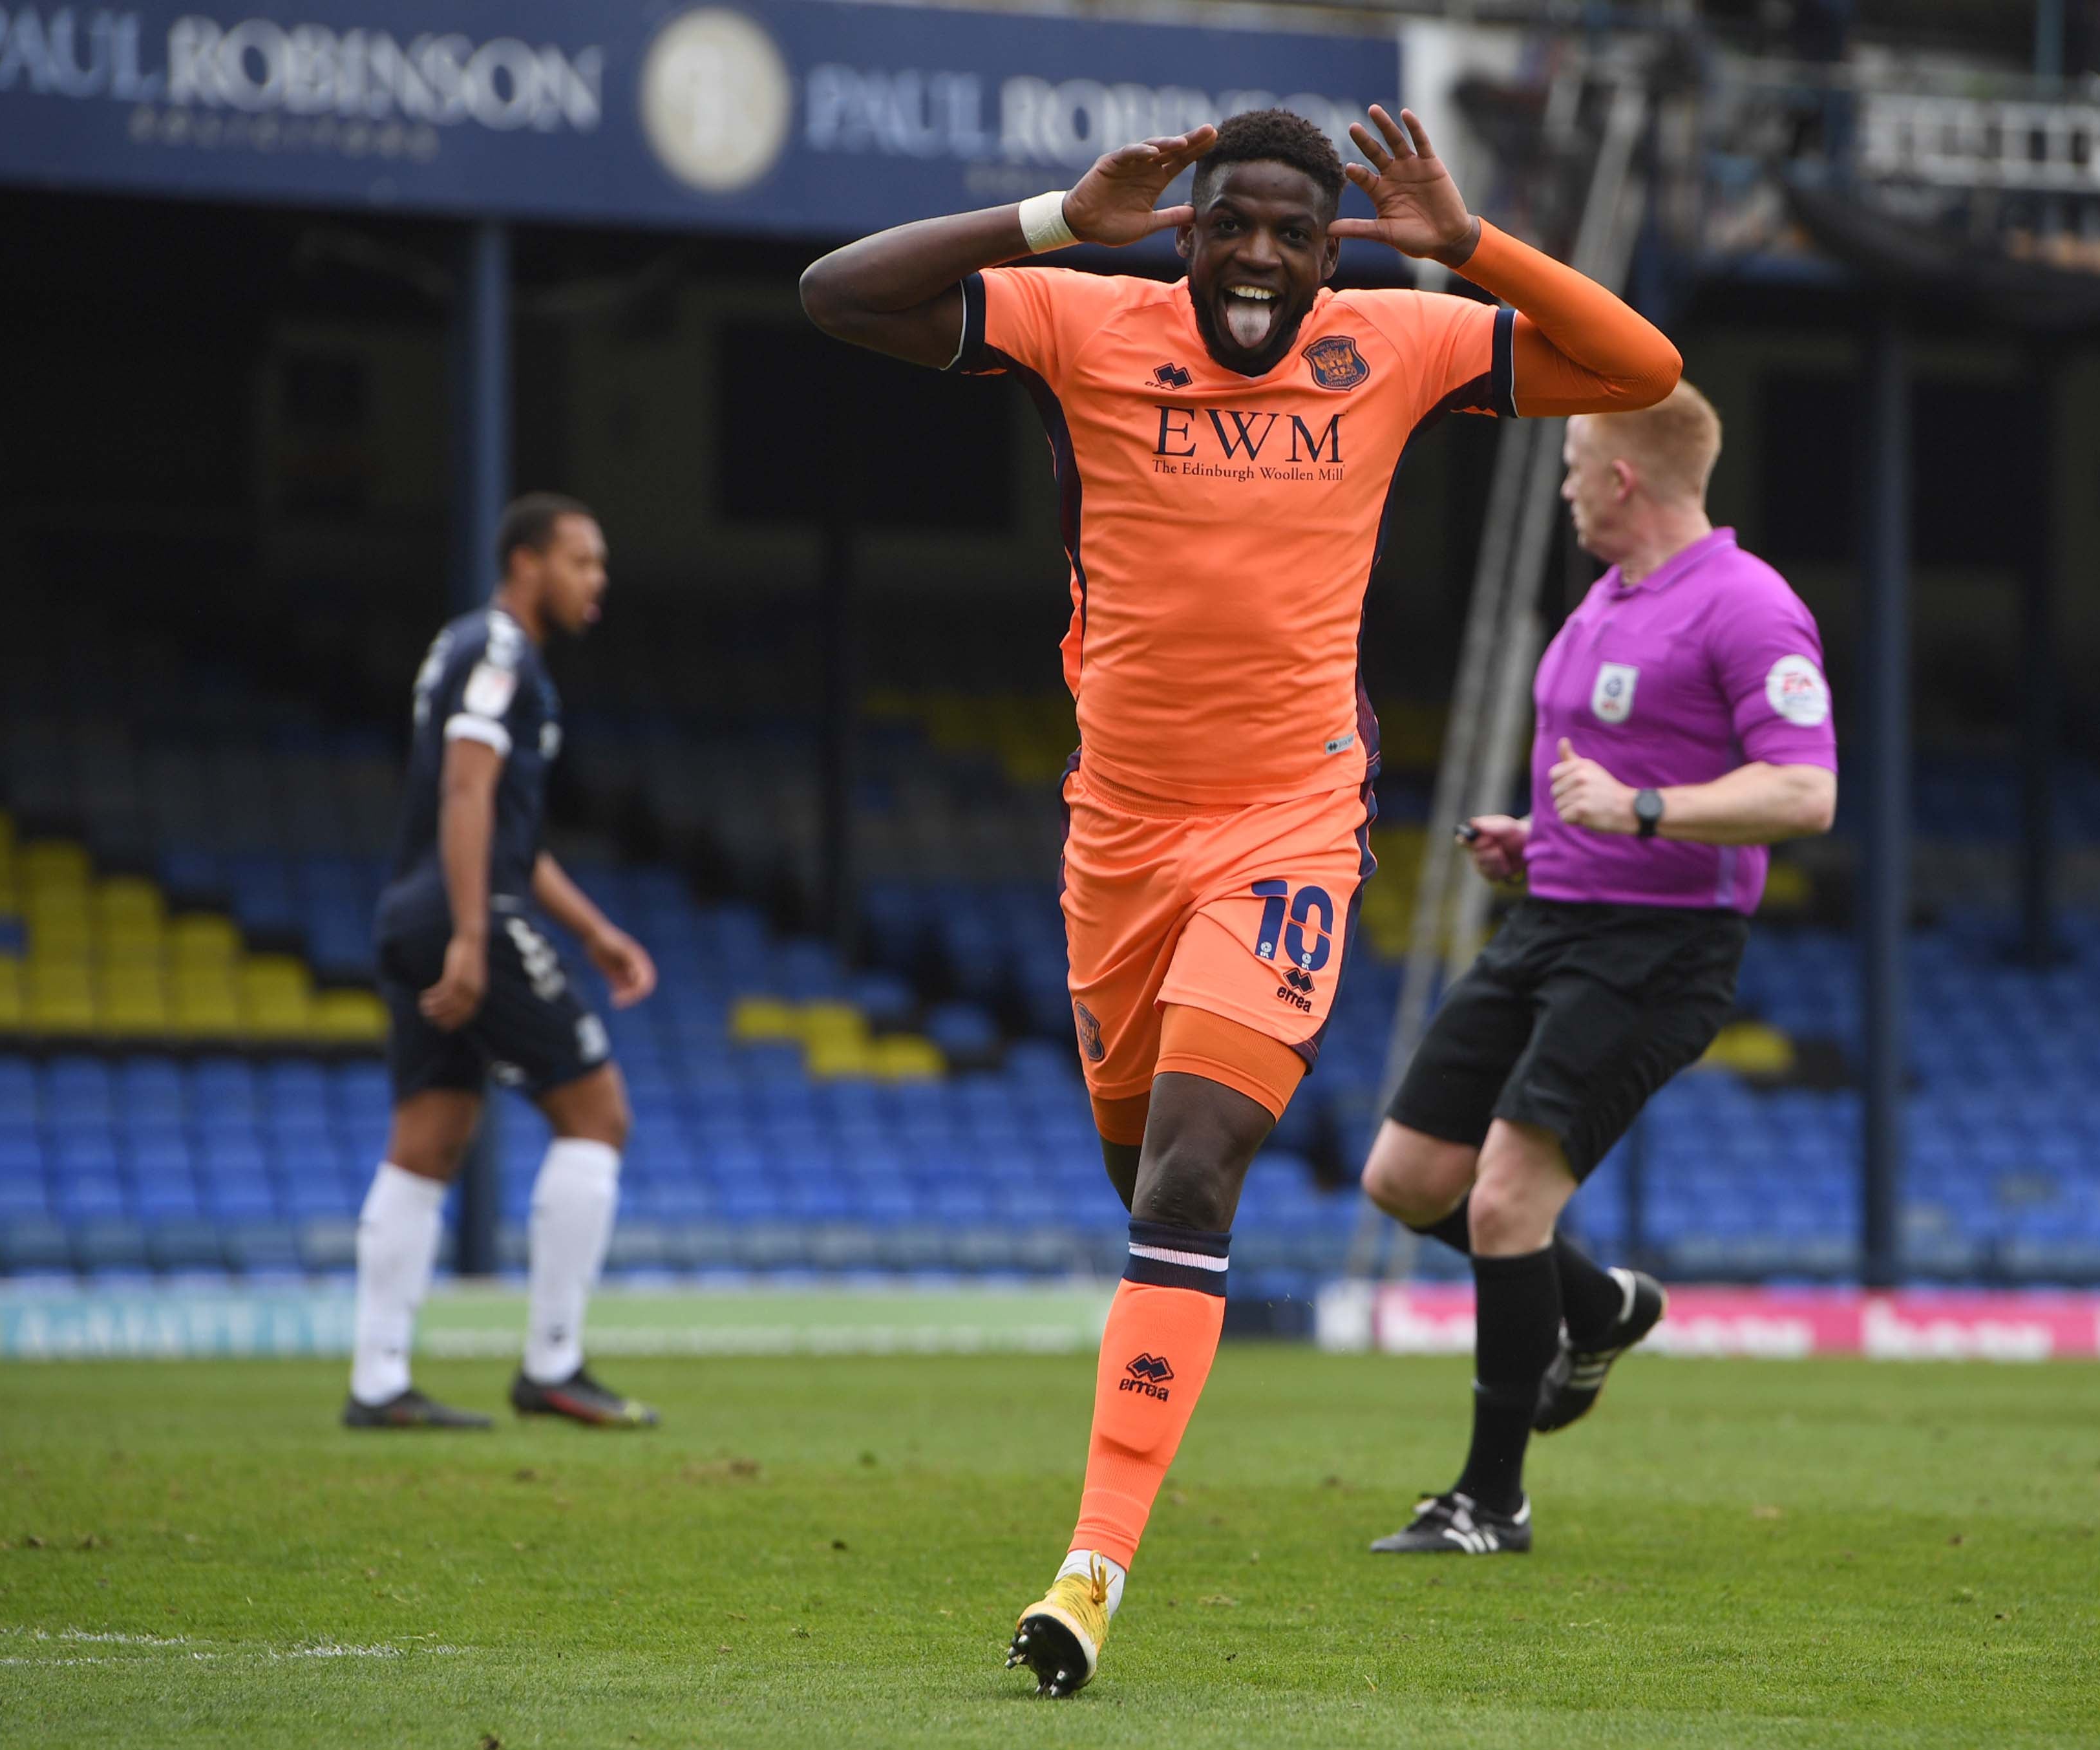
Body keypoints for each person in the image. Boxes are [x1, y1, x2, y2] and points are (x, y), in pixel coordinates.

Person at [800, 105, 1681, 1694]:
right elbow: (836, 294)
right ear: (1184, 232)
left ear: (1334, 242)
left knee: (1195, 1180)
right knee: (1144, 1180)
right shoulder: (1087, 316)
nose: (1263, 254)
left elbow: (1635, 369)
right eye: (1232, 225)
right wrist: (1061, 217)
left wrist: (1465, 245)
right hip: (1115, 845)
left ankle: (1090, 1567)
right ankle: (1589, 1298)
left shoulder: (1390, 342)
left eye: (1296, 227)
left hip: (1285, 829)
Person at [1358, 383, 1837, 1555]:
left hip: (1657, 947)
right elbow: (1601, 784)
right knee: (1408, 1177)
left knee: (1509, 1199)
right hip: (1551, 921)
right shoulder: (1607, 601)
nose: (1565, 480)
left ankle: (1490, 1498)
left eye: (1575, 461)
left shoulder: (1749, 605)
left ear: (1623, 475)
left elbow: (1805, 790)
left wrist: (1643, 809)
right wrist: (1543, 838)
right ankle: (1600, 1304)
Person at [347, 494, 661, 1433]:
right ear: (527, 561)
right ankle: (554, 1364)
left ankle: (377, 1382)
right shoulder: (499, 652)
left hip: (414, 907)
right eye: (582, 561)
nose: (596, 581)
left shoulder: (465, 647)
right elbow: (467, 787)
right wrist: (476, 935)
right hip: (460, 908)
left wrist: (595, 930)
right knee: (598, 1113)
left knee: (430, 1135)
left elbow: (507, 829)